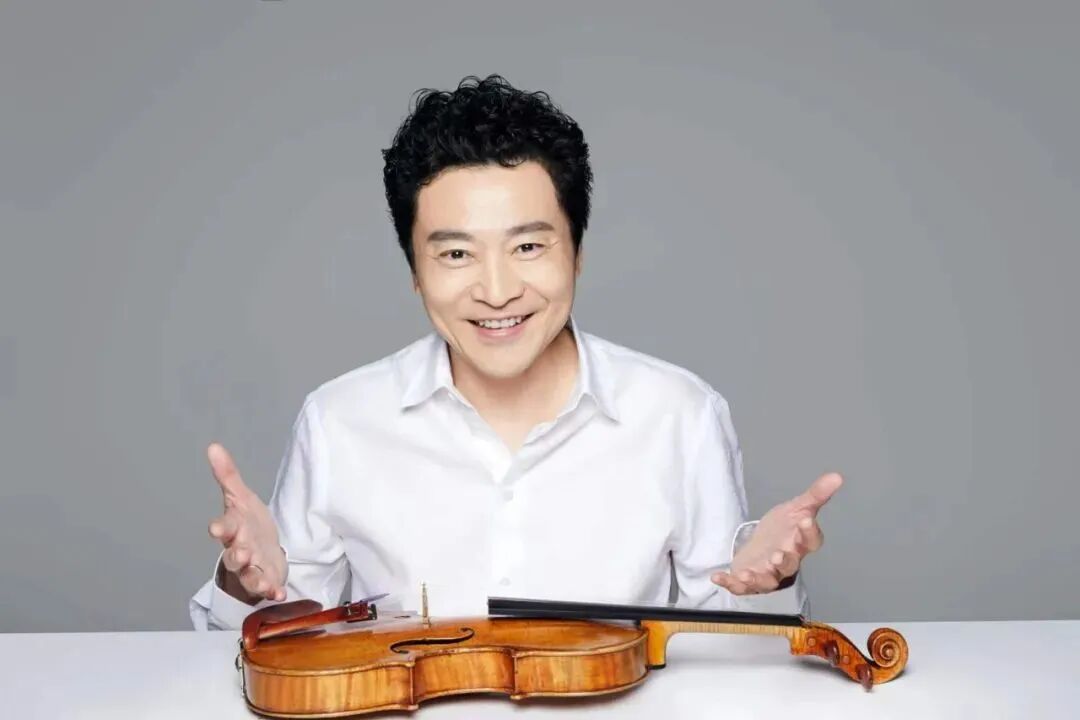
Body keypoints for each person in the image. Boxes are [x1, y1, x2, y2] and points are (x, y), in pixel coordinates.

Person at [189, 75, 841, 630]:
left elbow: (728, 652)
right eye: (456, 253)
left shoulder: (680, 414)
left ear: (577, 253)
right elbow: (288, 648)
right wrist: (248, 587)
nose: (497, 291)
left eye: (528, 246)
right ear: (414, 271)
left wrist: (766, 588)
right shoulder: (338, 421)